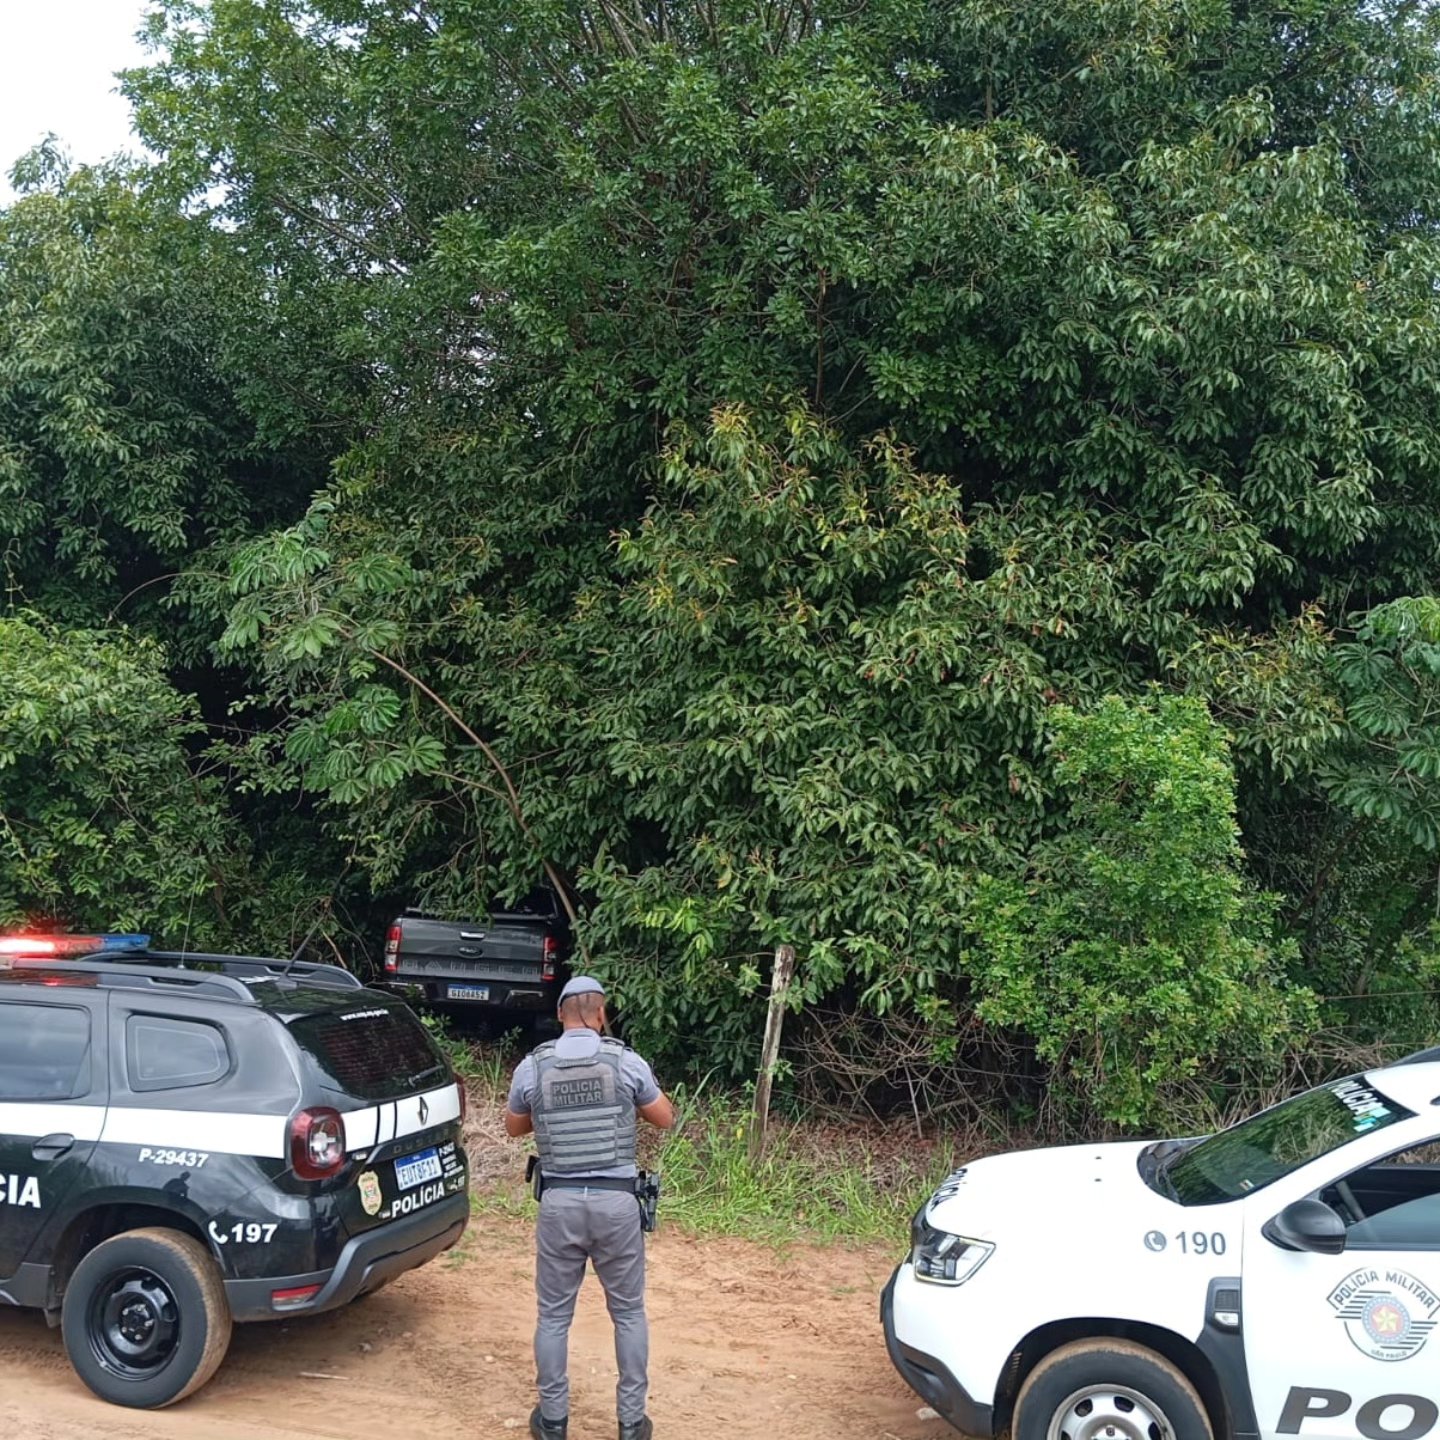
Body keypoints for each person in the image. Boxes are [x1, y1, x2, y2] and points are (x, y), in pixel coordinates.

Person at [505, 975, 676, 1440]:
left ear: (560, 1016)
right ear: (601, 1014)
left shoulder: (533, 1066)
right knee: (628, 1313)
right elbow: (665, 1118)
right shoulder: (625, 1062)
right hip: (616, 1204)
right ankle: (631, 1423)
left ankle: (553, 1421)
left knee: (553, 1316)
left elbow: (514, 1127)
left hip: (559, 1203)